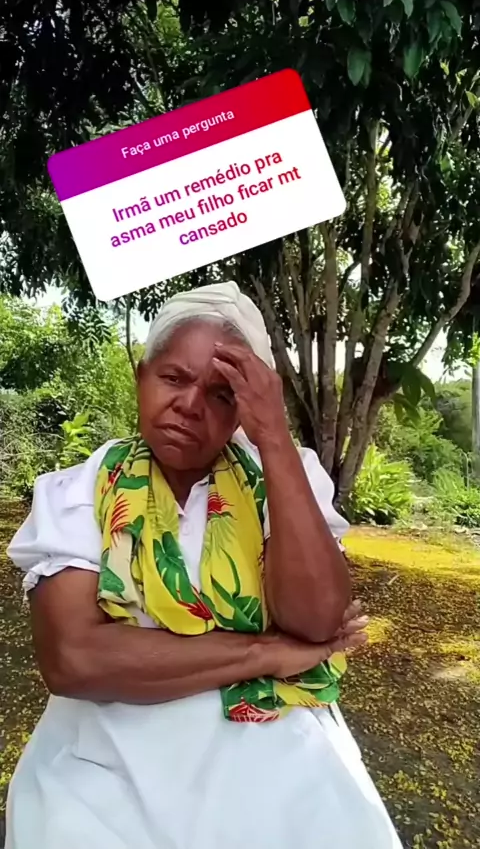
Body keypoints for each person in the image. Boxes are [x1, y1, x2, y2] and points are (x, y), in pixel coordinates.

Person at [6, 281, 403, 849]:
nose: (190, 405)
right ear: (141, 375)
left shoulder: (283, 479)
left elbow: (316, 622)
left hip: (275, 749)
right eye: (174, 378)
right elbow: (75, 660)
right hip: (103, 763)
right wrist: (265, 653)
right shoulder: (80, 491)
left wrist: (274, 439)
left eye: (222, 395)